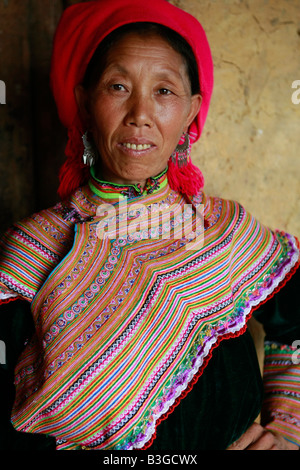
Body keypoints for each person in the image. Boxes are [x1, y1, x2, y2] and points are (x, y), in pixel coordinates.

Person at [0, 0, 299, 451]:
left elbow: (295, 322)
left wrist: (286, 425)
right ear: (84, 101)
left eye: (164, 91)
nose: (140, 112)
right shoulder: (32, 251)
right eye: (118, 86)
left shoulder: (225, 231)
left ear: (190, 113)